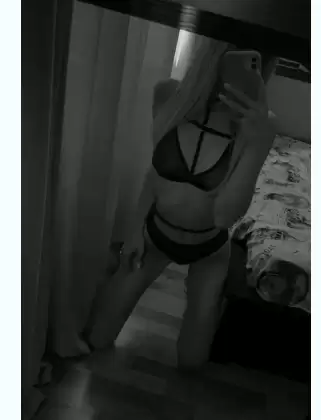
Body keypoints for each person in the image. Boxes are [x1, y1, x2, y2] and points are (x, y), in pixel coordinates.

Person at [85, 38, 279, 371]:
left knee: (191, 363)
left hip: (209, 247)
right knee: (97, 339)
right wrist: (134, 231)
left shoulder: (258, 126)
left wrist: (258, 144)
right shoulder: (168, 96)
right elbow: (154, 175)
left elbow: (224, 216)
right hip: (156, 235)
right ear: (212, 56)